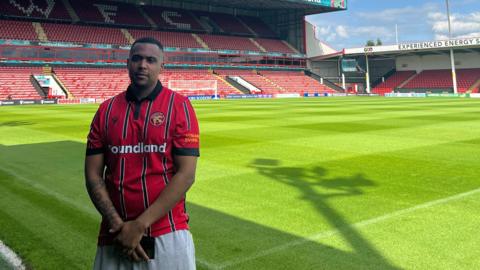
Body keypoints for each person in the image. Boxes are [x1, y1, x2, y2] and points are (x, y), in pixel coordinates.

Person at [85, 37, 200, 270]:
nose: (142, 65)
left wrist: (140, 225)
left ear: (161, 66)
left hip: (167, 233)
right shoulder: (106, 111)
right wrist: (119, 225)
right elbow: (93, 175)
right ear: (127, 63)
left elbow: (186, 174)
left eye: (150, 60)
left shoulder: (180, 106)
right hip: (114, 236)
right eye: (137, 58)